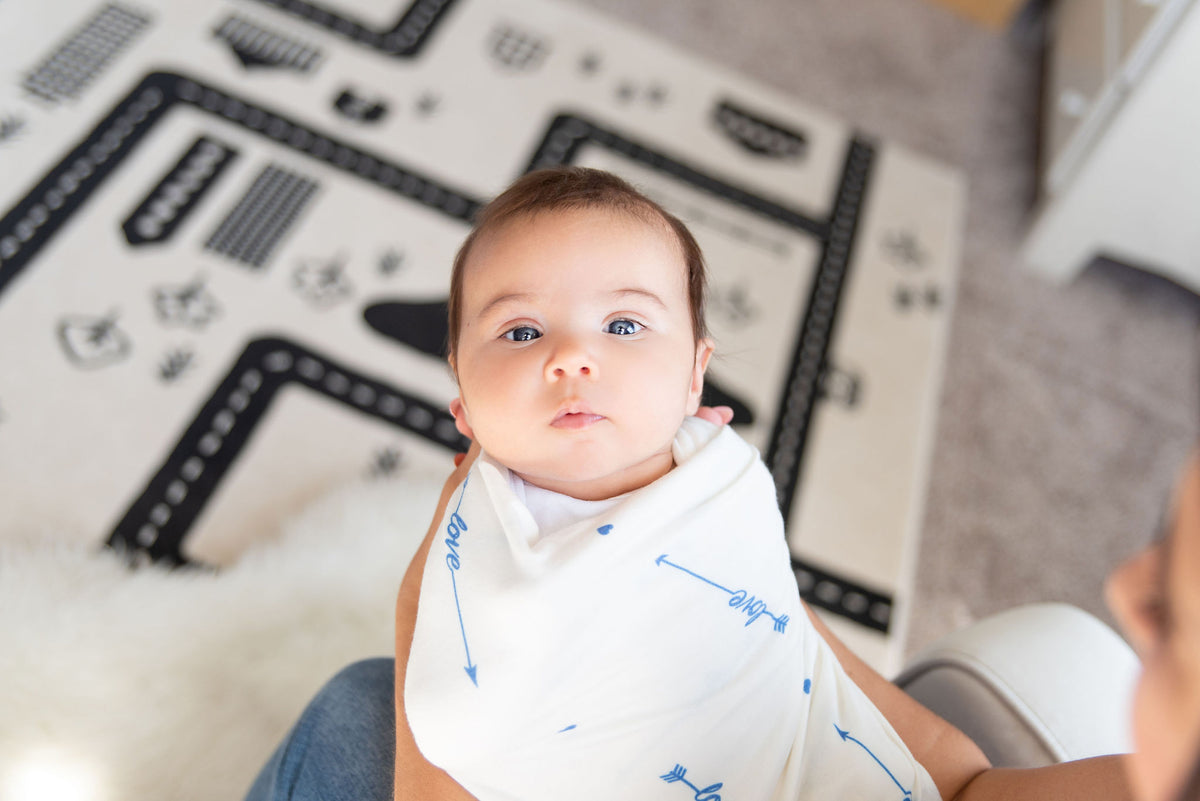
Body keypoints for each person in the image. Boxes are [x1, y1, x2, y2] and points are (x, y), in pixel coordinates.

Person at [244, 168, 1135, 801]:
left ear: (694, 376)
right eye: (519, 333)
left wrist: (414, 611)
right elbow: (767, 615)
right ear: (464, 406)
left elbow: (443, 744)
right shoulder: (686, 480)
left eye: (625, 323)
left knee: (355, 706)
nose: (573, 356)